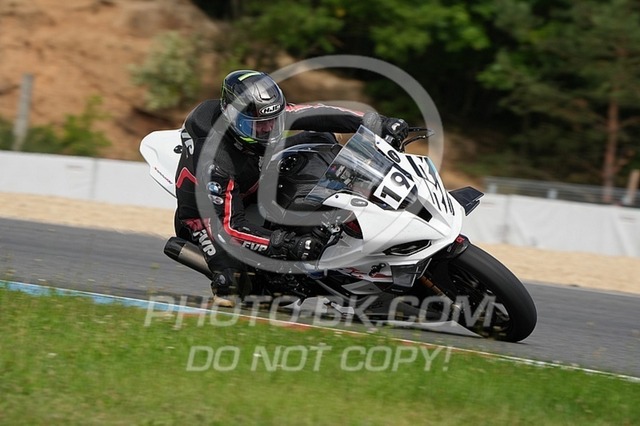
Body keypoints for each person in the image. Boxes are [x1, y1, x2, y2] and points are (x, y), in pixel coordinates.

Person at [174, 69, 409, 307]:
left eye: (273, 121)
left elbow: (318, 113)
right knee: (233, 287)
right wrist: (286, 243)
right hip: (206, 214)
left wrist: (377, 122)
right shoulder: (216, 161)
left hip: (253, 172)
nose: (268, 129)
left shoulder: (261, 115)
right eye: (257, 126)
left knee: (321, 137)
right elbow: (229, 228)